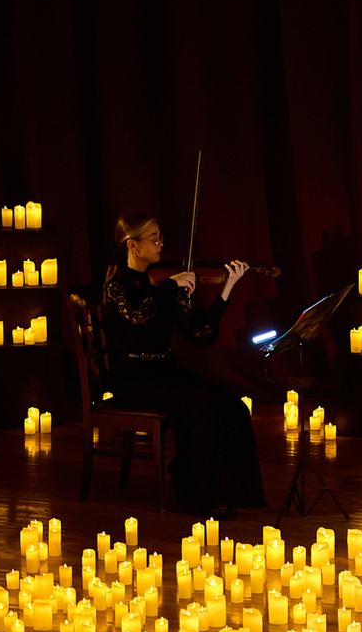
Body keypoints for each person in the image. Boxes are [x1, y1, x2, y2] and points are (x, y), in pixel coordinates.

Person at [101, 214, 265, 517]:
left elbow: (200, 333)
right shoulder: (117, 287)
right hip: (133, 379)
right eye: (154, 238)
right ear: (132, 245)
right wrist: (170, 287)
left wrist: (227, 289)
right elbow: (139, 317)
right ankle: (196, 494)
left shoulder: (161, 282)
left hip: (164, 370)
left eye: (160, 236)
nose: (160, 243)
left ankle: (233, 493)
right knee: (202, 408)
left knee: (232, 405)